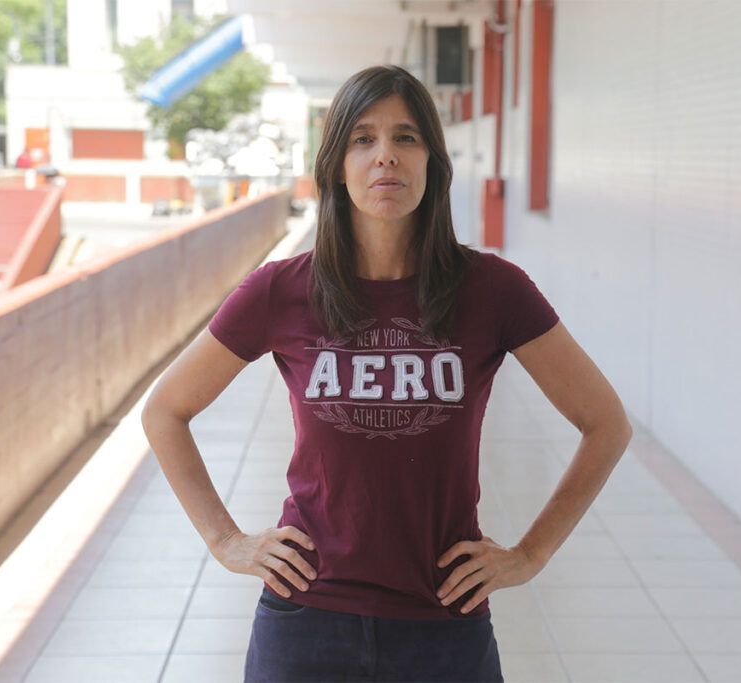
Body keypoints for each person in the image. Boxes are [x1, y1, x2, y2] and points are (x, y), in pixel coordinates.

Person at [141, 64, 633, 682]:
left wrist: (531, 554)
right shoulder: (282, 291)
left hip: (444, 624)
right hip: (306, 620)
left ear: (433, 161)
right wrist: (226, 541)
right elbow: (166, 411)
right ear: (335, 165)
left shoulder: (493, 291)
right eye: (363, 139)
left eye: (406, 138)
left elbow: (605, 423)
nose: (385, 158)